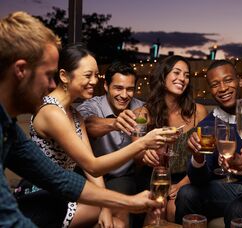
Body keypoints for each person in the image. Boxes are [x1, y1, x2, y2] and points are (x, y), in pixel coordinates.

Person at [0, 11, 164, 227]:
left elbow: (60, 179)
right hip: (39, 198)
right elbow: (9, 218)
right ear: (21, 70)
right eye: (48, 75)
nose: (51, 86)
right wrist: (142, 142)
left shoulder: (9, 126)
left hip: (55, 196)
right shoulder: (50, 111)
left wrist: (128, 202)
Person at [174, 59, 242, 226]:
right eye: (215, 84)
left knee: (238, 209)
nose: (223, 88)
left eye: (228, 80)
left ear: (240, 81)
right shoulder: (207, 125)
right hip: (228, 188)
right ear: (210, 90)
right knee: (186, 193)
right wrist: (198, 157)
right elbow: (199, 180)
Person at [135, 55, 208, 223]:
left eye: (187, 75)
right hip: (154, 177)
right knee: (156, 209)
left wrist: (181, 184)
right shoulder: (142, 114)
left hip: (187, 178)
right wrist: (144, 153)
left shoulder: (199, 112)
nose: (182, 78)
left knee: (173, 208)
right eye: (176, 72)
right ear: (163, 76)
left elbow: (205, 157)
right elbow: (135, 152)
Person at [77, 62, 143, 227]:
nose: (124, 95)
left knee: (120, 214)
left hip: (121, 176)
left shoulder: (140, 108)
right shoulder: (91, 105)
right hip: (90, 175)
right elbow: (88, 125)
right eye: (118, 88)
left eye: (130, 89)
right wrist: (114, 123)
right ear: (106, 86)